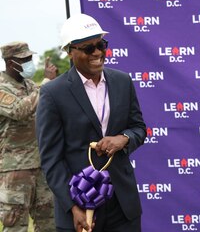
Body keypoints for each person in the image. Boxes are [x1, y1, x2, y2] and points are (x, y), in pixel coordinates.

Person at [36, 13, 147, 232]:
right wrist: (72, 207)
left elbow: (139, 128)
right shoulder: (52, 93)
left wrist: (123, 139)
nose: (97, 53)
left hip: (123, 205)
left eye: (101, 45)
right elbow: (51, 159)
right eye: (88, 48)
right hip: (80, 209)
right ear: (70, 51)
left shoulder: (122, 82)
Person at [0, 41, 57, 232]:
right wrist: (47, 83)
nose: (29, 62)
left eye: (30, 58)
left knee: (49, 222)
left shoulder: (31, 85)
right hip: (15, 169)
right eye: (24, 59)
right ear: (10, 62)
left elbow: (47, 107)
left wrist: (51, 85)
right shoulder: (1, 87)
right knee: (15, 224)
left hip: (41, 165)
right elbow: (20, 110)